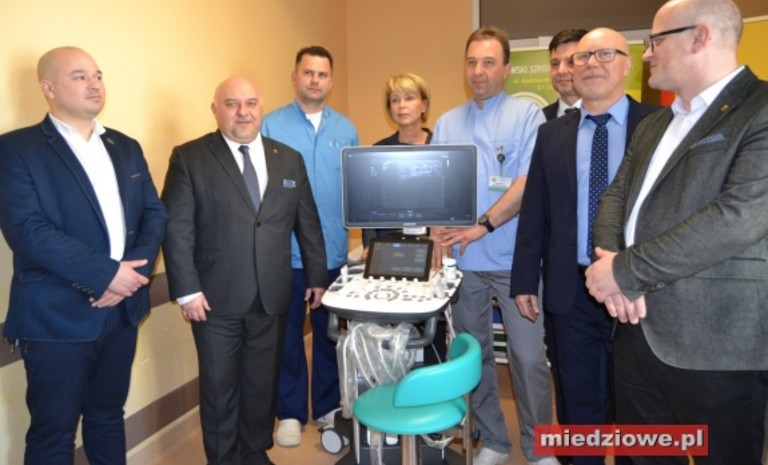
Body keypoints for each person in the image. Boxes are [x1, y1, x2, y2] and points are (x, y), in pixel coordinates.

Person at [585, 0, 768, 463]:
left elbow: (737, 217)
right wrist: (610, 262)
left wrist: (623, 273)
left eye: (655, 41)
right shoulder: (654, 124)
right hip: (634, 331)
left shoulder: (760, 109)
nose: (647, 54)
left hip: (717, 342)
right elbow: (614, 197)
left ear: (699, 36)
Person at [0, 46, 167, 465]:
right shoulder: (16, 149)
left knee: (108, 418)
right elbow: (27, 231)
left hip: (122, 311)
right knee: (53, 434)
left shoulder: (125, 146)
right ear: (48, 87)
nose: (94, 84)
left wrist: (130, 279)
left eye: (97, 75)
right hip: (55, 317)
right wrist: (107, 274)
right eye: (79, 76)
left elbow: (154, 214)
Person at [510, 28, 659, 465]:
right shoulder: (551, 134)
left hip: (638, 289)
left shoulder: (659, 125)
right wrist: (524, 279)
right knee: (578, 403)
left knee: (638, 407)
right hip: (569, 290)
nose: (591, 63)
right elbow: (535, 211)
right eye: (582, 57)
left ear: (628, 63)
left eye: (605, 54)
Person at [161, 76, 328, 465]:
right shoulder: (190, 157)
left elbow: (307, 222)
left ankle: (254, 452)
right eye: (232, 103)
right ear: (215, 109)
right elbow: (176, 229)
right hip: (213, 299)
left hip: (271, 295)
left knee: (260, 385)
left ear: (261, 107)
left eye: (250, 103)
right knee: (220, 389)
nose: (243, 112)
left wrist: (317, 276)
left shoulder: (287, 158)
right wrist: (186, 290)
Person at [431, 26, 557, 465]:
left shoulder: (527, 115)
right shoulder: (447, 122)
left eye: (488, 62)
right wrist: (438, 238)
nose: (478, 71)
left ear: (506, 69)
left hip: (514, 260)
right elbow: (436, 187)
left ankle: (540, 446)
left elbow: (526, 183)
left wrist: (481, 226)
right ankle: (495, 440)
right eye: (471, 62)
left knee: (528, 357)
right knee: (475, 355)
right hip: (464, 262)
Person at [260, 45, 359, 448]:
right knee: (285, 338)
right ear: (295, 77)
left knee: (330, 335)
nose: (315, 80)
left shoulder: (345, 130)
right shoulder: (271, 125)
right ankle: (289, 413)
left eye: (322, 74)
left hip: (332, 254)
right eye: (308, 72)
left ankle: (327, 406)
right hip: (283, 256)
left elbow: (353, 193)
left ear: (330, 81)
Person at [541, 28, 588, 121]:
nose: (561, 70)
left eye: (571, 62)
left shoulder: (604, 116)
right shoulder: (539, 119)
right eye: (555, 64)